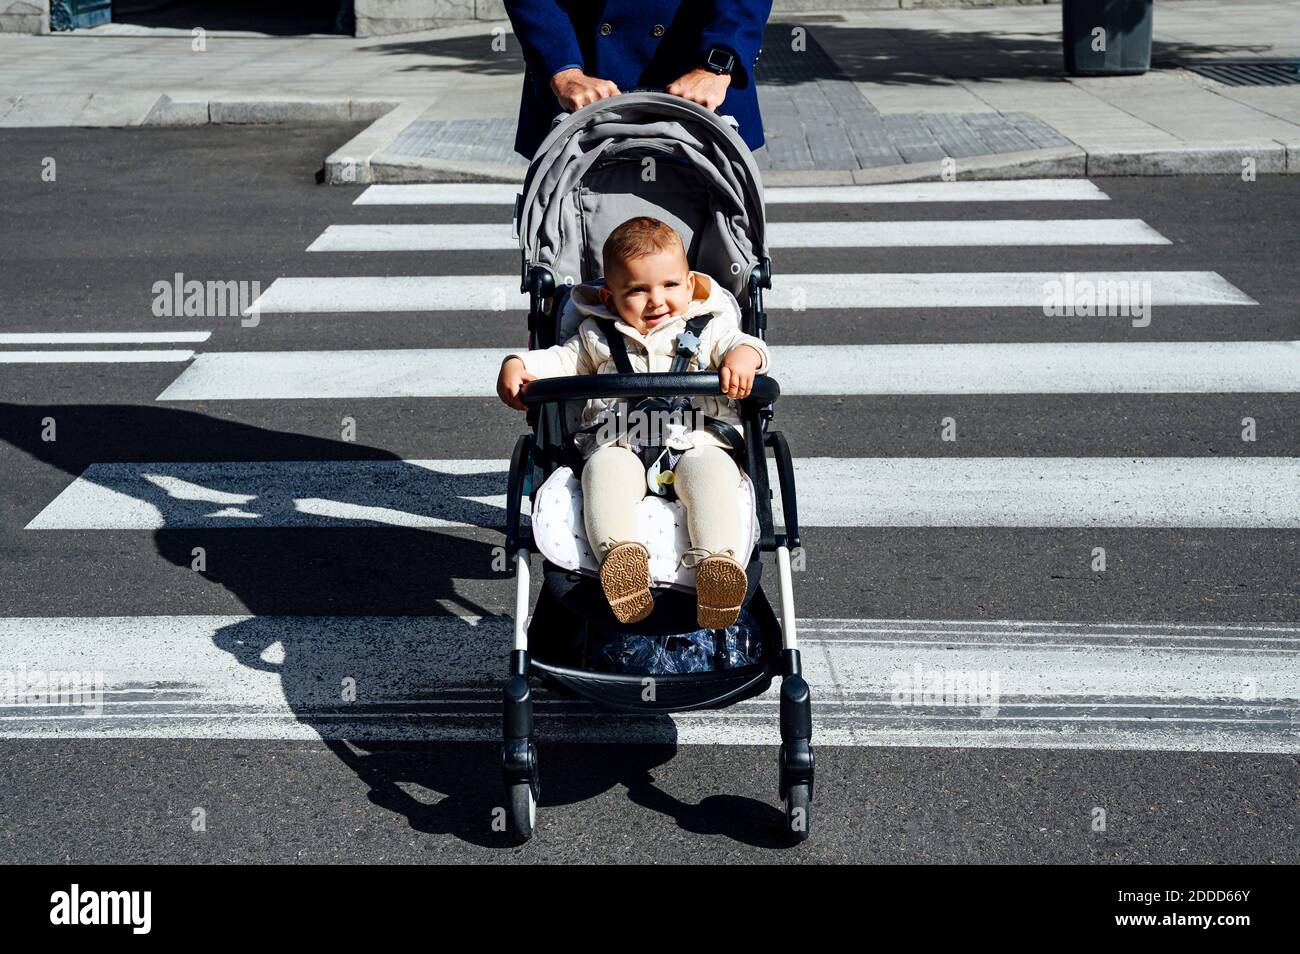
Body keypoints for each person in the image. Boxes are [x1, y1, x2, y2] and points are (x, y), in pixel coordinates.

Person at [496, 217, 769, 629]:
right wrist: (518, 364)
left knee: (711, 477)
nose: (656, 300)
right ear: (610, 296)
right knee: (603, 476)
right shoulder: (596, 336)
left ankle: (717, 564)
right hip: (619, 441)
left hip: (696, 440)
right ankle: (620, 559)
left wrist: (743, 360)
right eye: (638, 290)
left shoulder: (710, 327)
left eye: (670, 286)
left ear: (691, 284)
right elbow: (560, 361)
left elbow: (744, 344)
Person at [502, 0, 774, 159]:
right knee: (570, 245)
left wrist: (717, 64)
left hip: (700, 92)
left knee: (719, 248)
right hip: (581, 89)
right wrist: (563, 69)